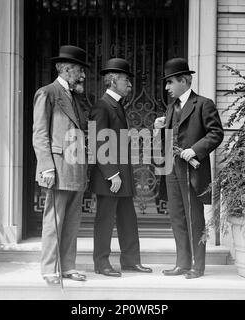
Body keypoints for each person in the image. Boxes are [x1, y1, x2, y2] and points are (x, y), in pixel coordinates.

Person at [154, 58, 224, 279]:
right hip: (172, 170)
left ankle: (198, 266)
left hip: (192, 170)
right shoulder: (170, 107)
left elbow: (216, 134)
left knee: (194, 218)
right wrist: (158, 130)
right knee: (177, 217)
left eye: (170, 83)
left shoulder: (204, 104)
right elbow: (166, 141)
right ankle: (182, 264)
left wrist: (194, 150)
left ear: (183, 81)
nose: (167, 88)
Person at [89, 58, 152, 277]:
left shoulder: (116, 106)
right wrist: (112, 174)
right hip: (111, 176)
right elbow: (98, 142)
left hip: (121, 175)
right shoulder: (102, 106)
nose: (130, 85)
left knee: (128, 219)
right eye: (127, 80)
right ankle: (101, 263)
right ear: (113, 81)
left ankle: (131, 261)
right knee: (105, 220)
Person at [32, 45, 90, 285]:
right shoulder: (48, 93)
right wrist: (46, 167)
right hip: (57, 168)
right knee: (53, 221)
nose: (83, 75)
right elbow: (40, 133)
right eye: (79, 70)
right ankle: (48, 270)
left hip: (76, 168)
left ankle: (67, 267)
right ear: (66, 69)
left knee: (72, 222)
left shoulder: (74, 97)